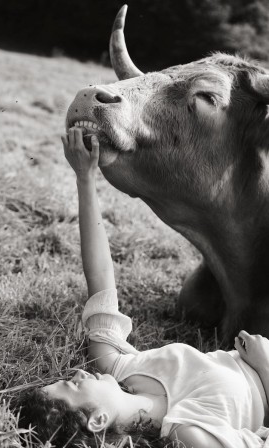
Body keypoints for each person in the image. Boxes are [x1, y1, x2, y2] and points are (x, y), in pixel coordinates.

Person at [17, 128, 269, 448]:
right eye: (73, 385)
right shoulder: (189, 430)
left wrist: (85, 177)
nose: (78, 374)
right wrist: (264, 369)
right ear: (98, 420)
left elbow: (100, 277)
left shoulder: (121, 365)